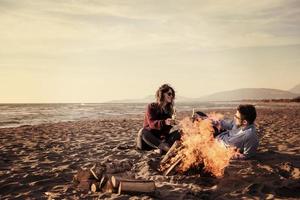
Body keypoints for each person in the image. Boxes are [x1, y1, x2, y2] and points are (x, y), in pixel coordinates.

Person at [194, 104, 259, 159]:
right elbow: (227, 124)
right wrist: (215, 122)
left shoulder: (250, 136)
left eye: (236, 117)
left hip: (219, 145)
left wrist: (231, 154)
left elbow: (247, 156)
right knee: (200, 116)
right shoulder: (239, 123)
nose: (234, 118)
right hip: (221, 134)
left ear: (244, 122)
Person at [136, 84, 181, 153]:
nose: (171, 96)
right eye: (169, 94)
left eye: (172, 95)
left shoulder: (169, 111)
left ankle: (162, 149)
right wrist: (165, 122)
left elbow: (165, 131)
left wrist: (173, 123)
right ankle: (165, 149)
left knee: (180, 131)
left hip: (160, 141)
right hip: (148, 141)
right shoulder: (151, 107)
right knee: (142, 131)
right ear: (162, 94)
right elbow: (152, 124)